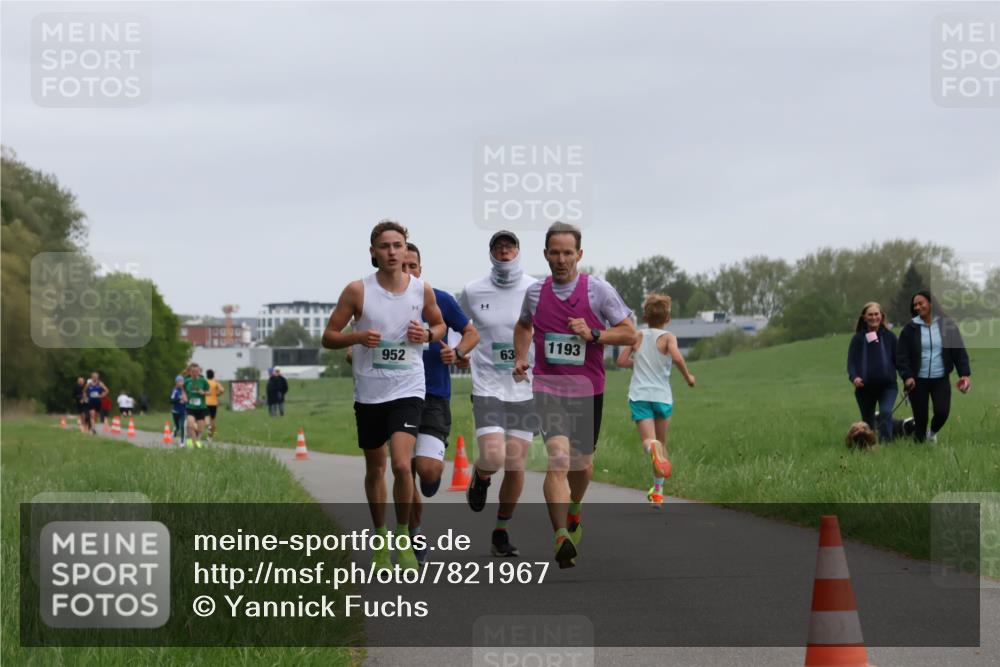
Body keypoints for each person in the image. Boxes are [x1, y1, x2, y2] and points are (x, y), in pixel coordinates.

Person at [321, 219, 446, 571]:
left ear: (406, 249)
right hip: (370, 391)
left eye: (398, 245)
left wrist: (428, 335)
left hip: (408, 387)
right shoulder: (357, 291)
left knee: (402, 464)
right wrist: (356, 338)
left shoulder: (422, 289)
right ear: (374, 252)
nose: (393, 252)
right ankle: (380, 541)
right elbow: (329, 337)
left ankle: (403, 537)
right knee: (376, 469)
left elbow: (440, 326)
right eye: (386, 246)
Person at [513, 221, 637, 568]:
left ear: (579, 255)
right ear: (546, 255)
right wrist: (522, 357)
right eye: (555, 252)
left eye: (568, 253)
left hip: (587, 390)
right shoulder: (536, 293)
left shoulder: (598, 291)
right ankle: (560, 536)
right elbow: (523, 325)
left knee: (582, 465)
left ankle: (575, 509)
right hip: (548, 388)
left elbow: (630, 334)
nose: (562, 259)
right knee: (559, 460)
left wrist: (594, 334)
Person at [461, 230, 539, 558]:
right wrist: (460, 349)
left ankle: (501, 531)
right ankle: (480, 476)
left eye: (509, 246)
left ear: (519, 251)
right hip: (488, 384)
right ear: (491, 253)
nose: (504, 251)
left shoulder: (536, 289)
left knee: (516, 463)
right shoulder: (473, 290)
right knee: (493, 456)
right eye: (498, 247)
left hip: (525, 386)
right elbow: (459, 326)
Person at [401, 243, 479, 564]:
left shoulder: (440, 299)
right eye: (402, 266)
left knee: (428, 471)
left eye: (413, 266)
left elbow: (470, 332)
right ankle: (414, 535)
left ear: (421, 268)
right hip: (397, 395)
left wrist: (458, 352)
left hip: (434, 395)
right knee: (404, 471)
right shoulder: (380, 300)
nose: (407, 272)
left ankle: (429, 477)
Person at [616, 294, 695, 509]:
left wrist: (638, 364)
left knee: (650, 444)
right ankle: (658, 492)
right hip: (662, 397)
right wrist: (688, 377)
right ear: (668, 318)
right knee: (662, 444)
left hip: (640, 396)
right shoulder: (669, 337)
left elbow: (621, 361)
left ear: (644, 316)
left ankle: (652, 450)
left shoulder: (637, 335)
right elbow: (677, 358)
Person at [896, 290, 972, 443]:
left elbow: (958, 351)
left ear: (931, 304)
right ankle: (919, 449)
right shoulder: (910, 329)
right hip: (918, 381)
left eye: (920, 303)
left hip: (940, 379)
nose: (917, 307)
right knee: (920, 419)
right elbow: (901, 356)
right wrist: (907, 376)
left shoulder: (947, 326)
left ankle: (932, 433)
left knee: (942, 412)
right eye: (915, 305)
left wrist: (964, 374)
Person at [846, 302, 899, 442]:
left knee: (886, 413)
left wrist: (908, 377)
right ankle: (870, 447)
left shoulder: (890, 337)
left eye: (877, 314)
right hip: (864, 388)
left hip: (887, 386)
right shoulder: (857, 339)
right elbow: (851, 363)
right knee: (868, 423)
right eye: (870, 314)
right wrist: (854, 377)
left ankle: (887, 445)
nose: (874, 317)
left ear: (881, 316)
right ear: (864, 317)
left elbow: (900, 360)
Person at [184, 363, 210, 448]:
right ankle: (194, 444)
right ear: (190, 372)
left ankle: (195, 440)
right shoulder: (187, 381)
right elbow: (182, 389)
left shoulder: (203, 381)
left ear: (199, 372)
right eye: (193, 371)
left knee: (200, 429)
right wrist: (184, 396)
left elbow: (209, 392)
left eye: (196, 371)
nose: (195, 373)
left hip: (201, 408)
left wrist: (204, 392)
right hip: (190, 407)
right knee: (190, 425)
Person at [205, 369, 225, 439]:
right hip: (214, 403)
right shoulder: (215, 383)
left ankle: (209, 428)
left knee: (206, 418)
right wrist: (217, 394)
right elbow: (222, 390)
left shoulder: (205, 382)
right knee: (213, 419)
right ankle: (210, 437)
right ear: (213, 375)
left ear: (207, 375)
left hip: (206, 403)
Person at [170, 375, 188, 443]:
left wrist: (186, 400)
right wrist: (179, 398)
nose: (180, 383)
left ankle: (182, 442)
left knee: (183, 426)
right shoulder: (175, 391)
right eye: (179, 381)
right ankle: (174, 432)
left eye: (182, 381)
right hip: (175, 411)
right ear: (176, 383)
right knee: (177, 426)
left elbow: (187, 400)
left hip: (183, 411)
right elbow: (171, 401)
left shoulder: (185, 391)